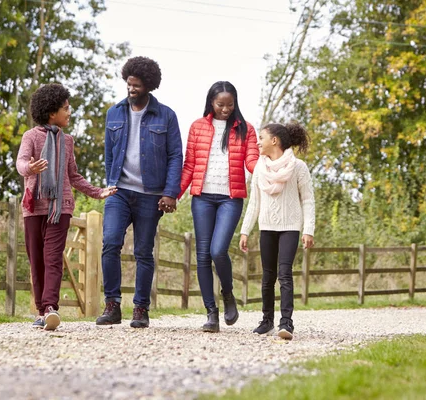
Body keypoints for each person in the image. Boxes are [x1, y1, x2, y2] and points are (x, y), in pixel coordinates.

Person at [16, 83, 116, 331]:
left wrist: (97, 192)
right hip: (34, 207)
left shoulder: (67, 141)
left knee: (52, 260)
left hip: (60, 208)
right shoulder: (31, 137)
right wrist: (31, 168)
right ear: (52, 113)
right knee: (36, 260)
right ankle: (41, 311)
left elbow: (74, 176)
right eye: (66, 108)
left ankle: (50, 308)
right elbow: (20, 163)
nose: (70, 112)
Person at [96, 56, 183, 328]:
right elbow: (110, 155)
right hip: (119, 191)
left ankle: (141, 309)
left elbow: (175, 156)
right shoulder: (114, 113)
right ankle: (112, 305)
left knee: (143, 252)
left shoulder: (166, 116)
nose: (131, 89)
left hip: (150, 194)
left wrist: (170, 192)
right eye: (128, 84)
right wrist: (110, 183)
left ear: (149, 85)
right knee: (110, 242)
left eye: (136, 85)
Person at [179, 81, 259, 333]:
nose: (225, 109)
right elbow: (189, 165)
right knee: (202, 255)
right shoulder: (197, 127)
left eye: (230, 104)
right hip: (202, 197)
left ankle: (227, 293)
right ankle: (211, 313)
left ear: (235, 103)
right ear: (211, 103)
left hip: (230, 198)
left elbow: (252, 161)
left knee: (218, 250)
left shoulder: (246, 130)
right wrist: (173, 194)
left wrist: (270, 174)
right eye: (220, 104)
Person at [239, 122, 315, 340]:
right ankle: (266, 321)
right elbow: (254, 203)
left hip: (290, 228)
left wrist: (308, 229)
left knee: (284, 274)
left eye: (261, 138)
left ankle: (286, 323)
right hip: (267, 229)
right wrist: (245, 231)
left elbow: (308, 200)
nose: (257, 142)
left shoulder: (299, 167)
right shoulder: (259, 170)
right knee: (267, 277)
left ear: (274, 141)